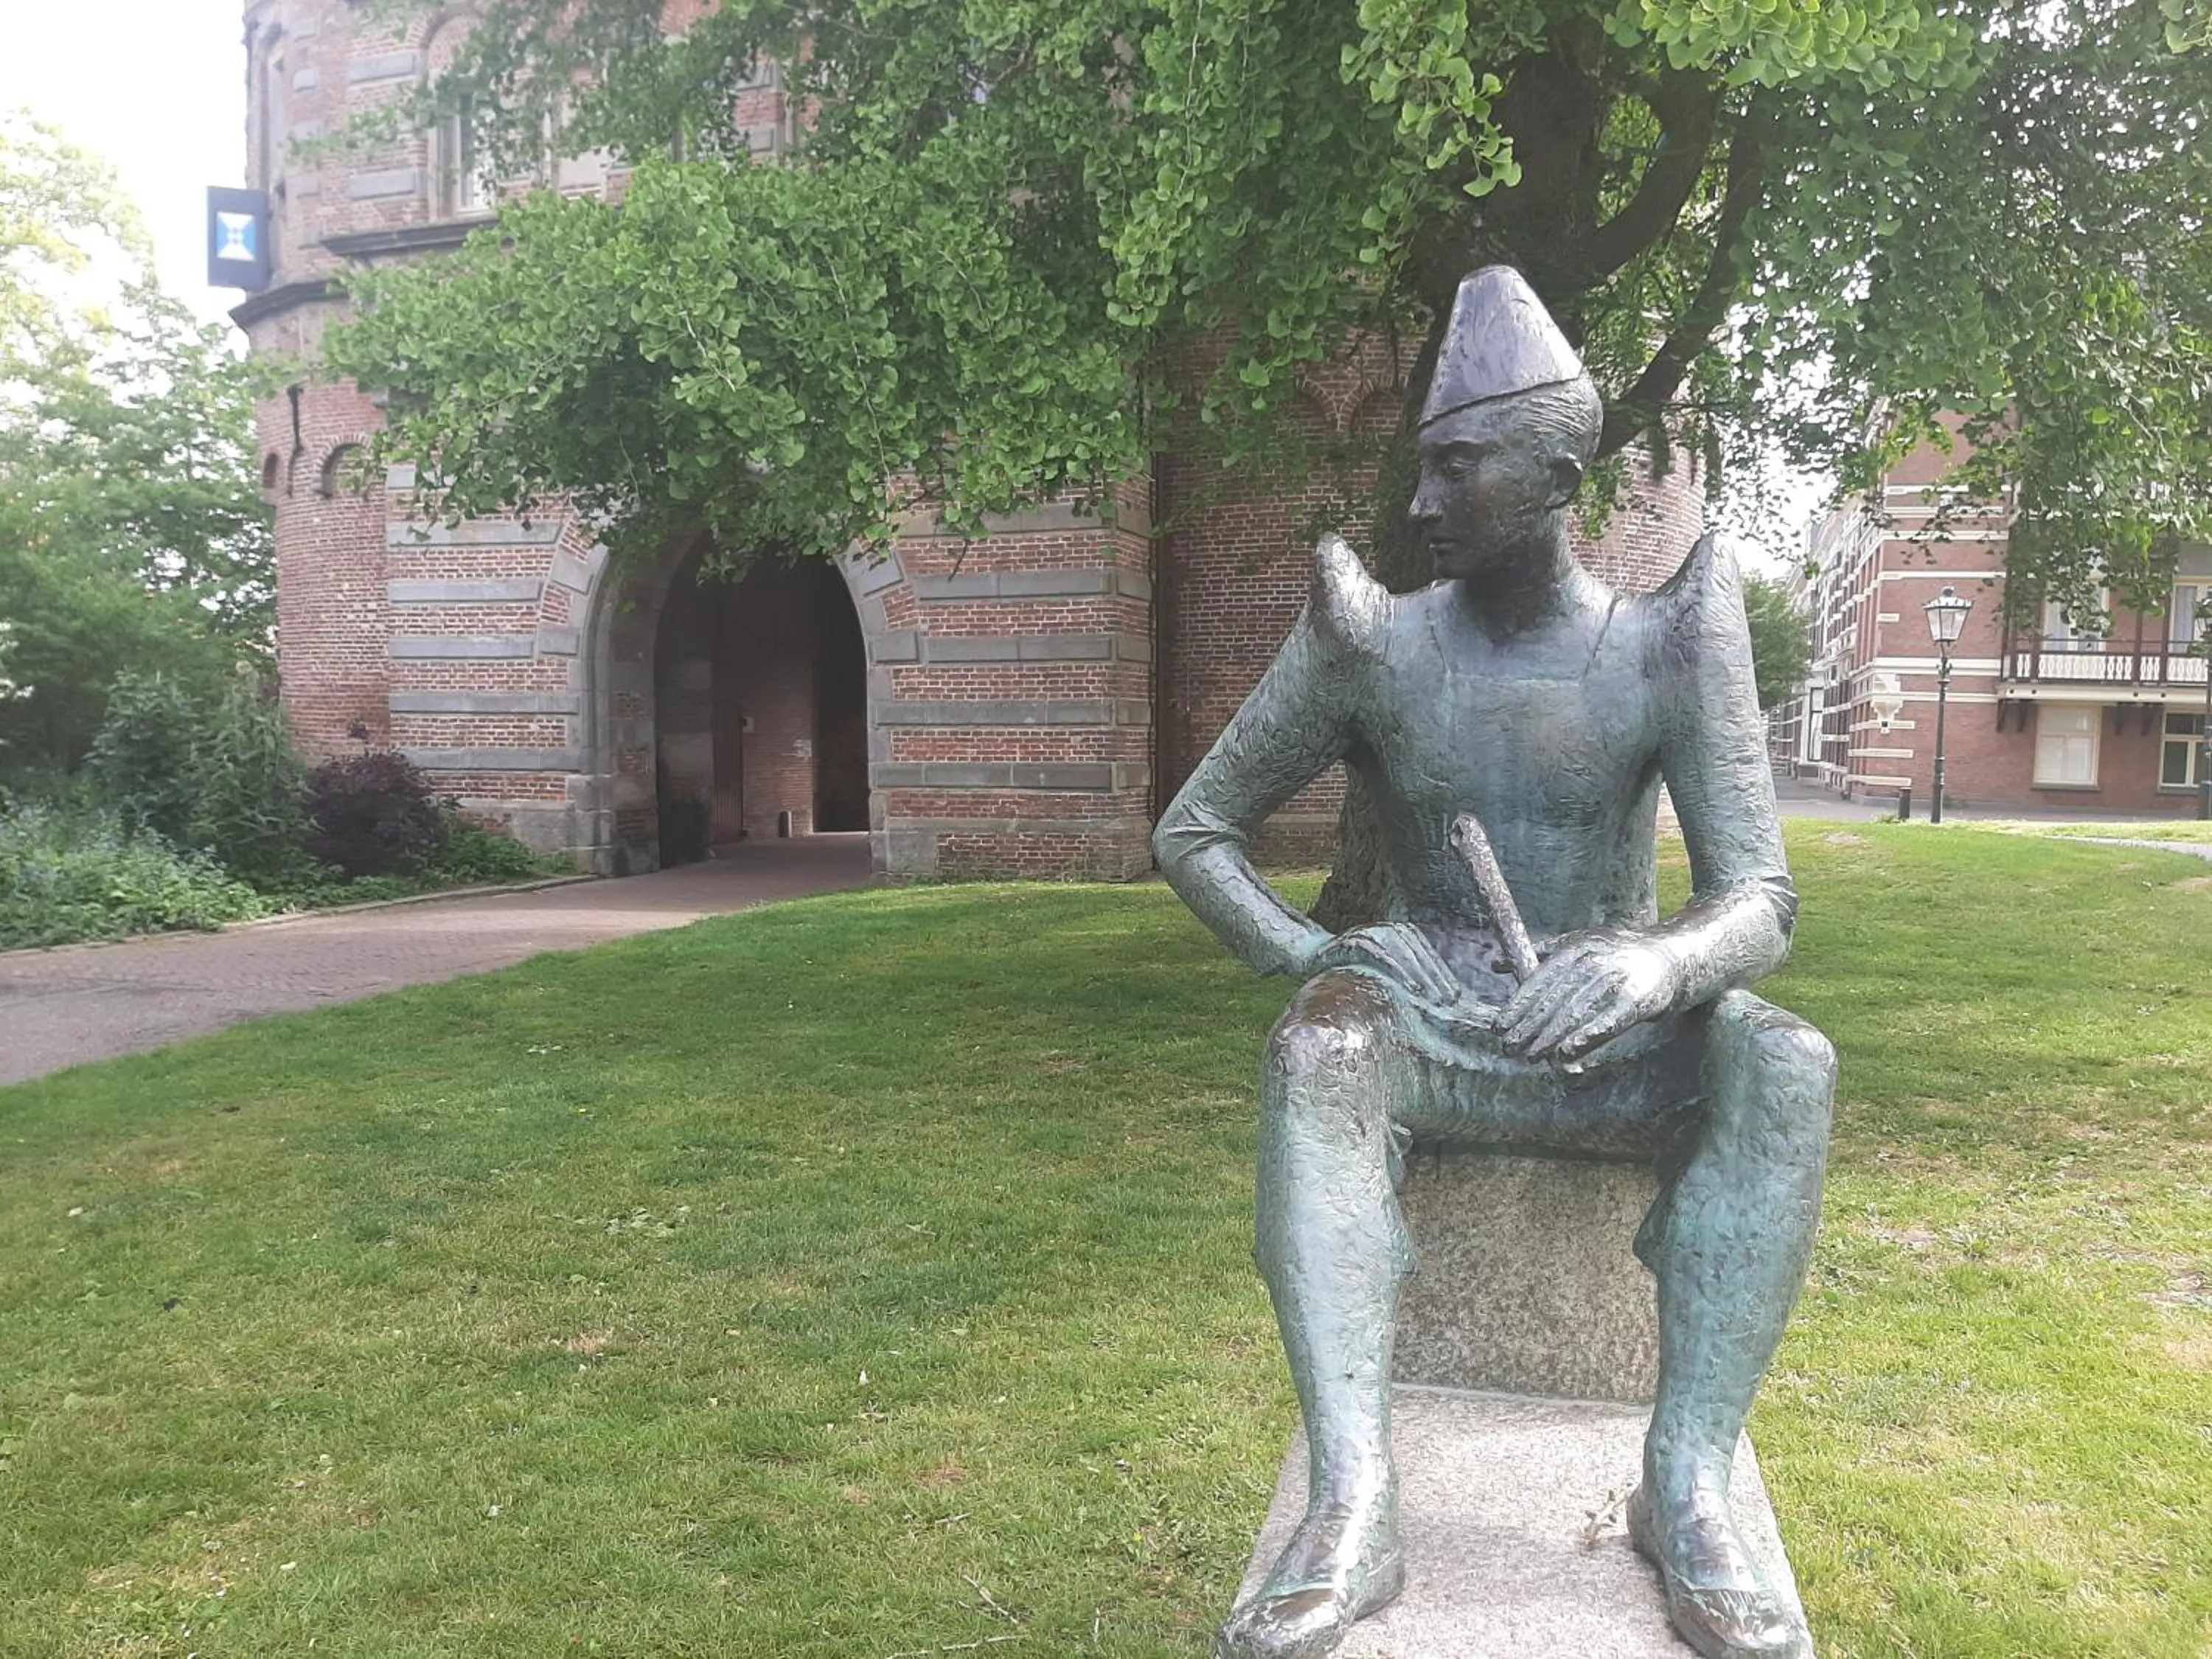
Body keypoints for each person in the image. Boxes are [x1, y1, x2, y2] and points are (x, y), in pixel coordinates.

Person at [1153, 265, 1835, 1659]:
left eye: (1456, 468)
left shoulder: (1666, 641)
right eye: (1425, 468)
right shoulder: (1371, 639)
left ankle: (1685, 1480)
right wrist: (1311, 951)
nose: (1420, 503)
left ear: (1555, 473)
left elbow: (1760, 895)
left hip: (1615, 1029)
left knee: (1789, 1061)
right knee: (1320, 1051)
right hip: (1435, 1020)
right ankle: (1355, 1501)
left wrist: (1657, 969)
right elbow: (1196, 829)